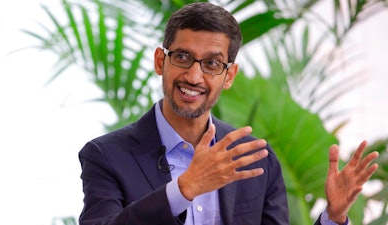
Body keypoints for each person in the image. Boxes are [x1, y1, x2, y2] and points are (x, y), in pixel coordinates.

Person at [78, 2, 379, 225]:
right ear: (160, 61)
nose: (194, 77)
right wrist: (182, 190)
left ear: (230, 75)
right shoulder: (105, 155)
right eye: (182, 57)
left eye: (211, 64)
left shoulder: (256, 159)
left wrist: (334, 216)